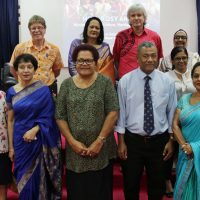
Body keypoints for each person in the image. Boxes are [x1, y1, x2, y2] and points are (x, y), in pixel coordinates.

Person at [56, 44, 119, 200]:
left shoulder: (105, 83)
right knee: (78, 191)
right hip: (75, 150)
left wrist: (99, 141)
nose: (84, 64)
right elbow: (60, 116)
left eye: (89, 60)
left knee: (100, 191)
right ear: (75, 63)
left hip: (101, 148)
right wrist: (72, 142)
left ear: (96, 63)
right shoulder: (66, 85)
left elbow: (113, 112)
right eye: (80, 60)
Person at [116, 41, 177, 200]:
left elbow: (172, 112)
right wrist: (121, 142)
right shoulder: (125, 81)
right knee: (131, 185)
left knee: (157, 187)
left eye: (153, 56)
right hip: (132, 141)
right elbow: (121, 113)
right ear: (137, 58)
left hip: (159, 141)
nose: (150, 59)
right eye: (145, 56)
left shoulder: (167, 82)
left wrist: (171, 140)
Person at [6, 54, 61, 199]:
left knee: (38, 178)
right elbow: (10, 120)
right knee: (22, 177)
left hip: (38, 139)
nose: (26, 70)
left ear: (35, 69)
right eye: (22, 67)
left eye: (29, 67)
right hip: (19, 141)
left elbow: (49, 116)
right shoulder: (11, 92)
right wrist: (11, 147)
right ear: (16, 70)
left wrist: (35, 129)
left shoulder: (42, 90)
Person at [164, 46, 196, 197]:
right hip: (172, 119)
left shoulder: (194, 75)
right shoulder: (166, 76)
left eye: (184, 58)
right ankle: (168, 181)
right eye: (177, 58)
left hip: (193, 121)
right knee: (170, 153)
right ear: (172, 60)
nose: (181, 61)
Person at [10, 15, 64, 95]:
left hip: (48, 89)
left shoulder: (54, 49)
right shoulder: (20, 48)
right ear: (29, 30)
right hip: (26, 89)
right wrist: (21, 81)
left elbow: (57, 70)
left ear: (45, 30)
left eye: (40, 27)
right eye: (33, 28)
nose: (37, 30)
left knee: (50, 108)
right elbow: (12, 68)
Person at [113, 3, 163, 79]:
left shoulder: (155, 36)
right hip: (126, 80)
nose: (136, 18)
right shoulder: (121, 36)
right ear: (129, 19)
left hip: (147, 79)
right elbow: (116, 60)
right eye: (133, 15)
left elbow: (157, 59)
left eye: (139, 15)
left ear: (144, 18)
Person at [173, 62, 200, 200]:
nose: (199, 79)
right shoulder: (184, 99)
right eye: (196, 76)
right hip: (185, 154)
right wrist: (184, 146)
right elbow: (175, 124)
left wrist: (195, 147)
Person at [68, 17, 115, 84]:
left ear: (100, 31)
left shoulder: (105, 47)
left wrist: (93, 84)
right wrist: (84, 81)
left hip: (99, 85)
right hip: (79, 84)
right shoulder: (76, 43)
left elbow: (107, 70)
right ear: (86, 28)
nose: (94, 29)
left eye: (97, 28)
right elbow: (72, 66)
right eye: (91, 27)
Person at [0, 90, 12, 200]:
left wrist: (11, 147)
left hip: (2, 146)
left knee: (2, 181)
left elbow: (10, 121)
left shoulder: (3, 95)